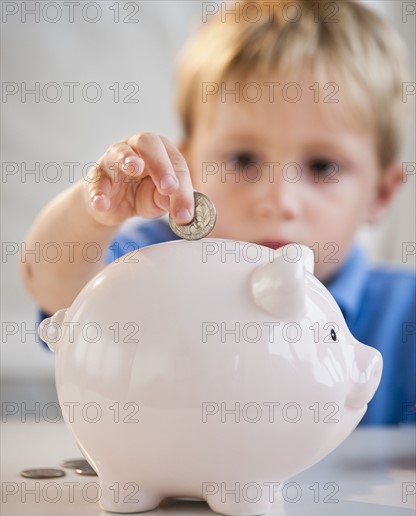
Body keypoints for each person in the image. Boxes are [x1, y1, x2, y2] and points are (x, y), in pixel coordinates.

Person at [21, 0, 415, 425]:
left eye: (323, 167)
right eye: (243, 160)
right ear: (188, 166)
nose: (278, 200)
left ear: (379, 194)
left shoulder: (403, 314)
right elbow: (54, 284)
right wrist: (94, 210)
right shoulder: (153, 264)